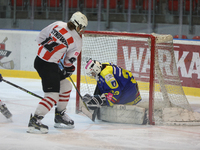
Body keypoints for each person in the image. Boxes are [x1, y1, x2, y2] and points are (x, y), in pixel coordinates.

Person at [27, 11, 88, 134]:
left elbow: (40, 38)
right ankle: (35, 120)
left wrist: (51, 56)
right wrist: (68, 69)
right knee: (52, 95)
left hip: (39, 60)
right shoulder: (77, 41)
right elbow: (68, 63)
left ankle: (59, 115)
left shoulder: (58, 24)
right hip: (48, 66)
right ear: (79, 26)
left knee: (66, 86)